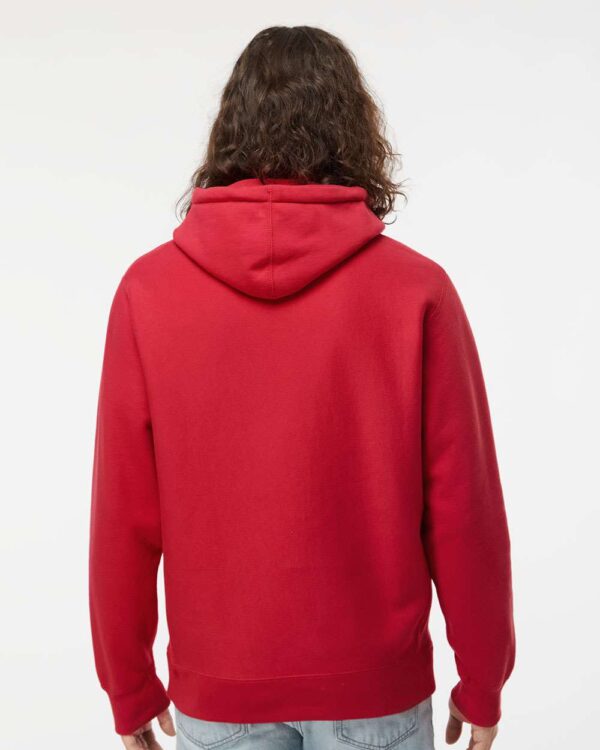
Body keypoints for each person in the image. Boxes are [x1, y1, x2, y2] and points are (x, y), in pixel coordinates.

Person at [89, 25, 515, 750]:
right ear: (353, 133)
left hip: (220, 692)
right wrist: (483, 678)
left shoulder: (148, 293)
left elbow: (123, 511)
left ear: (230, 133)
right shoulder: (416, 291)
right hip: (375, 689)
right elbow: (462, 507)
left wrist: (128, 685)